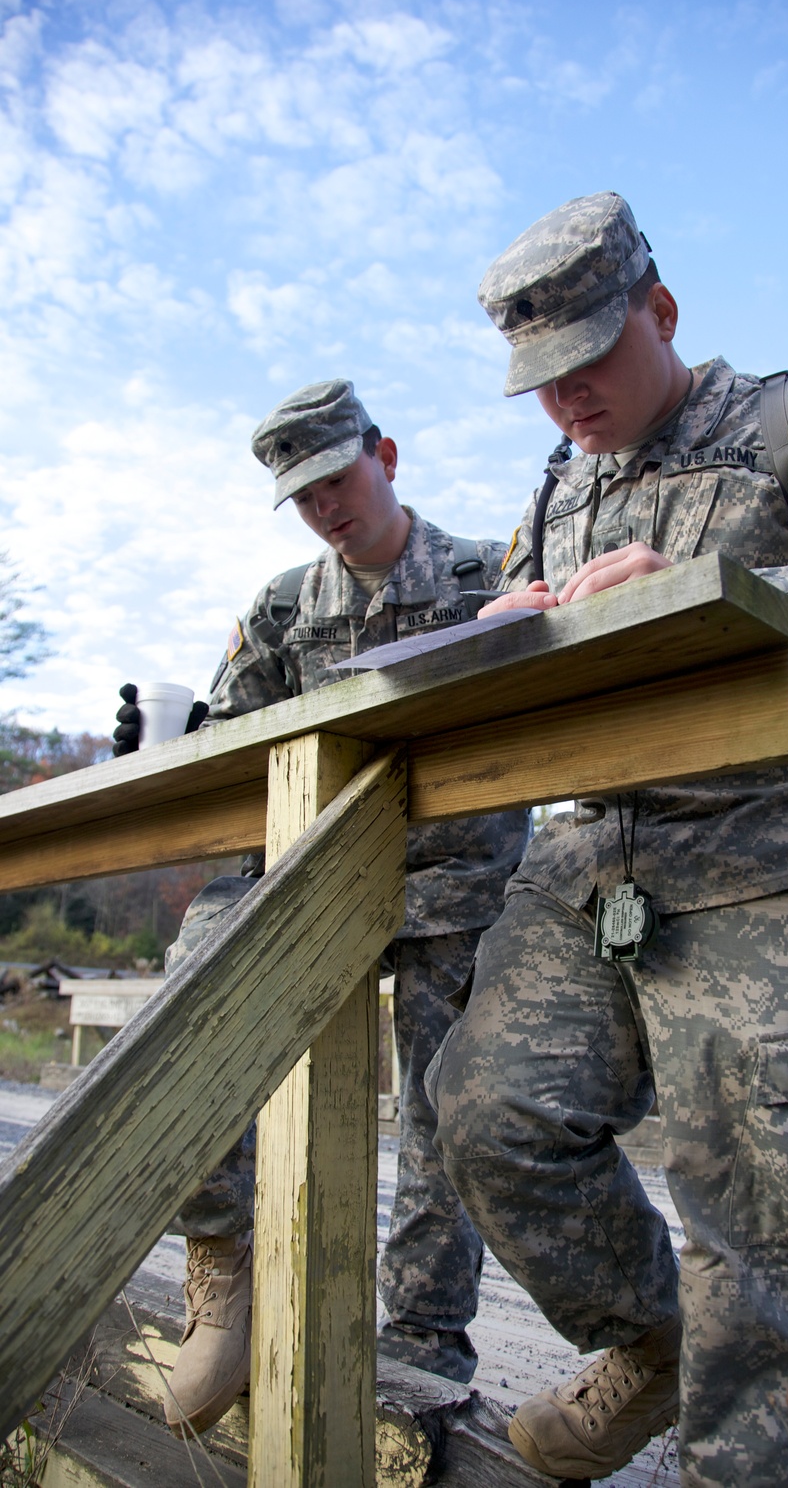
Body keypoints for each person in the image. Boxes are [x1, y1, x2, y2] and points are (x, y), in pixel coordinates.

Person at [427, 193, 788, 1486]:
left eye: (586, 367)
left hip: (767, 859)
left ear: (661, 315)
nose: (566, 405)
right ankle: (656, 1343)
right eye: (539, 386)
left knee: (759, 1215)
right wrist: (511, 628)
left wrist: (728, 597)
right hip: (587, 865)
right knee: (488, 1113)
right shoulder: (561, 486)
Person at [115, 380, 529, 1437]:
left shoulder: (496, 572)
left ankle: (423, 1343)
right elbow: (226, 753)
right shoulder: (283, 608)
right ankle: (224, 1255)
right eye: (302, 497)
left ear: (385, 454)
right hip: (304, 870)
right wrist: (162, 749)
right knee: (187, 1003)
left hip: (451, 885)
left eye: (338, 481)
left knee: (442, 1109)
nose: (326, 510)